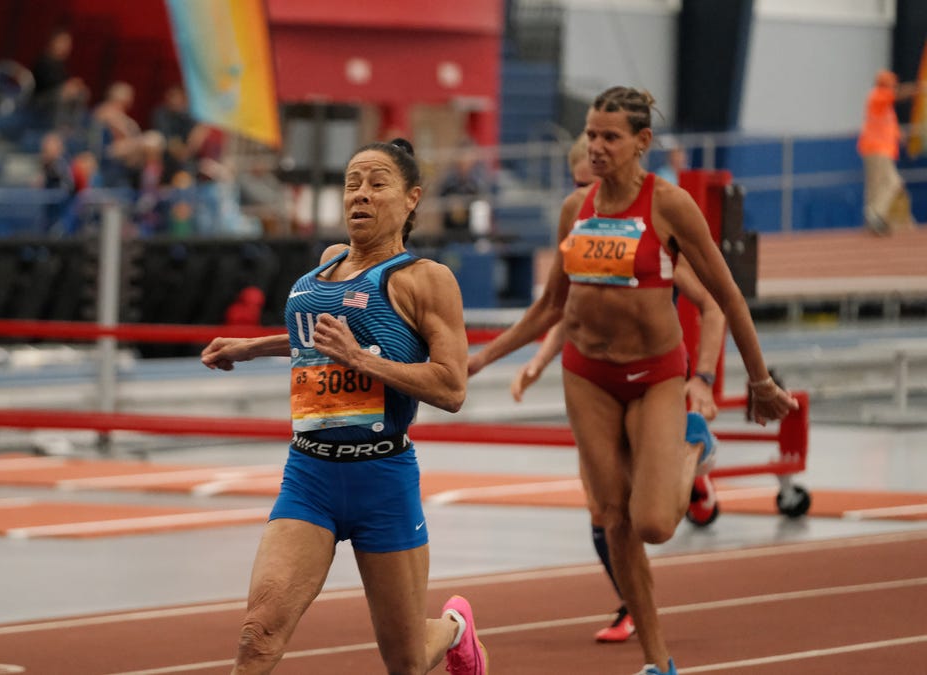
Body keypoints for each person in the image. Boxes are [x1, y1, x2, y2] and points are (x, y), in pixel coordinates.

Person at [468, 87, 799, 675]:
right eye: (591, 135)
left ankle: (692, 441)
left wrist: (759, 380)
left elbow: (726, 296)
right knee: (612, 518)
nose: (596, 146)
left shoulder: (668, 206)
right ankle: (657, 661)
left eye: (609, 137)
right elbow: (550, 308)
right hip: (588, 376)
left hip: (655, 376)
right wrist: (482, 358)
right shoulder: (577, 210)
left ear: (642, 142)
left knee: (653, 523)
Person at [200, 138, 488, 675]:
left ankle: (454, 630)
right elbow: (317, 339)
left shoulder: (425, 280)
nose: (361, 194)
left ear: (410, 200)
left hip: (382, 477)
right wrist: (252, 347)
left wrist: (362, 361)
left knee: (404, 661)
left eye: (377, 184)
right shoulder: (328, 262)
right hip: (309, 476)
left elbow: (451, 388)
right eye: (352, 183)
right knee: (256, 637)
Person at [859, 69, 919, 235]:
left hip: (879, 148)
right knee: (893, 182)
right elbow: (899, 94)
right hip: (877, 148)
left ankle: (872, 219)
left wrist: (901, 137)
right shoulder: (878, 95)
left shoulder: (885, 105)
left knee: (876, 186)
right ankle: (876, 214)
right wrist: (919, 88)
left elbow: (890, 125)